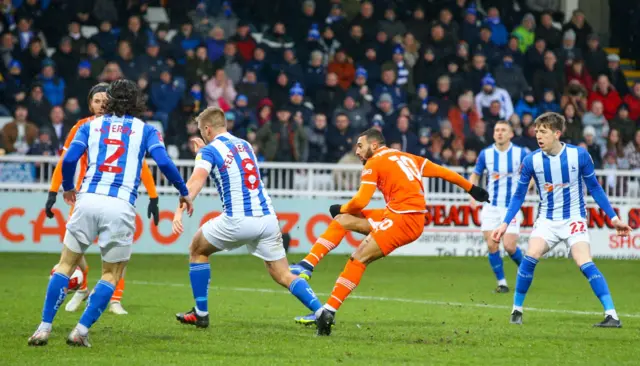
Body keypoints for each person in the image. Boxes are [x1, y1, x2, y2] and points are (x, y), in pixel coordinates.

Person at [28, 79, 191, 347]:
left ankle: (43, 328)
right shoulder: (146, 130)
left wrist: (68, 187)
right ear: (137, 102)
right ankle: (80, 331)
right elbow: (163, 162)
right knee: (111, 273)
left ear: (109, 101)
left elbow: (68, 160)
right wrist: (183, 191)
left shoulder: (89, 125)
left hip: (87, 199)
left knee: (66, 265)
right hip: (120, 205)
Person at [289, 129, 490, 334]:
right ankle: (307, 265)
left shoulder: (373, 162)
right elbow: (443, 172)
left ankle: (327, 313)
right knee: (343, 221)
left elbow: (360, 200)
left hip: (403, 219)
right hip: (399, 214)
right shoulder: (407, 157)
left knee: (358, 257)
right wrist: (471, 188)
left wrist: (340, 207)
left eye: (360, 146)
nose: (357, 151)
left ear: (374, 146)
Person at [171, 107, 323, 329]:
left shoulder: (209, 151)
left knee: (197, 249)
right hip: (268, 219)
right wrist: (206, 151)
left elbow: (196, 180)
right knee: (283, 273)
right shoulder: (245, 145)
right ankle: (320, 311)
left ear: (207, 128)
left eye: (202, 131)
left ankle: (201, 313)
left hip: (237, 220)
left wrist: (181, 207)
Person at [492, 112, 631, 328]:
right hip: (547, 220)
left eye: (543, 132)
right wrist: (505, 223)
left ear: (557, 134)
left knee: (583, 261)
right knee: (531, 255)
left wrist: (613, 218)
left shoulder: (580, 156)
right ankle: (516, 310)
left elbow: (594, 187)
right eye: (537, 131)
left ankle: (612, 315)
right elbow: (519, 195)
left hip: (574, 218)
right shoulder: (531, 160)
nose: (538, 136)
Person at [44, 82, 161, 315]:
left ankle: (115, 299)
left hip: (116, 195)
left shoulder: (128, 129)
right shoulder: (84, 126)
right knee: (74, 253)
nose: (101, 105)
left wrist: (154, 195)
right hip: (84, 195)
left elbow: (142, 167)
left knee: (116, 255)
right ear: (90, 104)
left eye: (104, 100)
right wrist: (52, 192)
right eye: (96, 101)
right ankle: (83, 286)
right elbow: (65, 161)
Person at [469, 121, 527, 293]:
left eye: (503, 130)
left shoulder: (520, 153)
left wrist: (528, 187)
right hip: (491, 207)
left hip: (511, 207)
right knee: (492, 245)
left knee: (509, 246)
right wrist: (473, 193)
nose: (499, 133)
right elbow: (475, 174)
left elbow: (531, 173)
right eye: (497, 130)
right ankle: (502, 283)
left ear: (511, 134)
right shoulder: (486, 154)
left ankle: (525, 269)